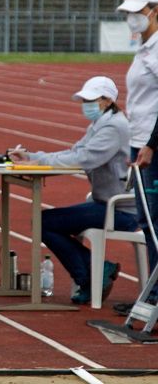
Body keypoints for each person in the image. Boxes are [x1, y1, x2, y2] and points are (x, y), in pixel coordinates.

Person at [8, 76, 137, 305]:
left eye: (91, 99)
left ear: (107, 100)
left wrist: (39, 164)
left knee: (44, 222)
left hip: (121, 210)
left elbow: (84, 158)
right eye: (84, 99)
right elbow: (75, 151)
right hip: (104, 202)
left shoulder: (114, 127)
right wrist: (33, 157)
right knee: (45, 221)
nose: (85, 104)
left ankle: (92, 274)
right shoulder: (101, 124)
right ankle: (94, 272)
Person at [113, 0, 158, 314]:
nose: (132, 19)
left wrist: (151, 145)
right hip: (139, 144)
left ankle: (155, 298)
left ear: (154, 10)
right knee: (147, 222)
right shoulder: (144, 47)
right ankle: (152, 296)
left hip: (150, 148)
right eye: (127, 13)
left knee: (155, 223)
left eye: (137, 12)